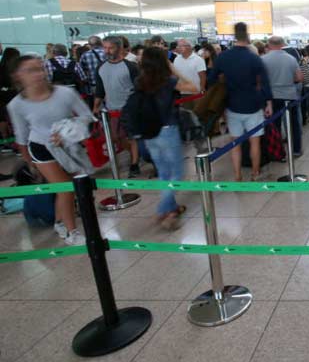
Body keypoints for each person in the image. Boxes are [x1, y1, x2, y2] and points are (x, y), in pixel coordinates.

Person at [8, 54, 93, 245]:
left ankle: (59, 221)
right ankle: (72, 232)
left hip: (68, 147)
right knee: (66, 188)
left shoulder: (65, 93)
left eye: (40, 68)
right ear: (18, 76)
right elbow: (21, 137)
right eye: (30, 70)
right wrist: (30, 163)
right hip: (41, 148)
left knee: (67, 186)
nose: (38, 74)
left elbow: (86, 116)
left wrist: (68, 131)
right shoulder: (16, 105)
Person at [135, 47, 198, 229]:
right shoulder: (168, 81)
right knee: (177, 173)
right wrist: (173, 68)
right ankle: (163, 209)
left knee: (163, 172)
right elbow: (194, 87)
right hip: (167, 130)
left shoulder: (139, 81)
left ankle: (171, 210)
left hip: (149, 132)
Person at [207, 22, 273, 182]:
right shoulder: (254, 58)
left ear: (234, 36)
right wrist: (268, 103)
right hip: (254, 106)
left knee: (235, 143)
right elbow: (265, 83)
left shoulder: (223, 57)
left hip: (232, 105)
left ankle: (237, 175)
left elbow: (211, 80)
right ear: (248, 36)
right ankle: (255, 173)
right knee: (254, 142)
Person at [93, 36, 141, 177]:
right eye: (105, 47)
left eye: (110, 47)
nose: (107, 51)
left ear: (119, 48)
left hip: (129, 109)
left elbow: (139, 88)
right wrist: (95, 107)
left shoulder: (131, 67)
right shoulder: (101, 67)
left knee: (132, 138)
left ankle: (134, 164)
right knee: (116, 138)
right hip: (112, 110)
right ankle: (135, 154)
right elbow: (100, 90)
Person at [262, 36, 303, 156]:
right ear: (282, 44)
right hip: (290, 95)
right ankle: (296, 149)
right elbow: (300, 78)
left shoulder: (263, 59)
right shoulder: (291, 58)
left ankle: (278, 152)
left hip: (272, 97)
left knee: (275, 125)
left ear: (269, 45)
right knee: (293, 124)